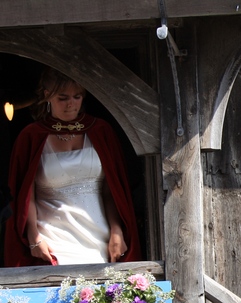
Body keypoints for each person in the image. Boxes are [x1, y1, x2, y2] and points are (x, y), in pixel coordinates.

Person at [4, 67, 140, 266]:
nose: (71, 104)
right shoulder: (31, 136)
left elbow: (112, 192)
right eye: (63, 98)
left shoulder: (101, 131)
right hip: (51, 238)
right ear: (46, 96)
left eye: (77, 97)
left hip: (98, 237)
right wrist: (33, 236)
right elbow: (25, 195)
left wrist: (116, 230)